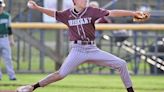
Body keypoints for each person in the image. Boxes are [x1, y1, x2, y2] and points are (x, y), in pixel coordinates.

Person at [17, 0, 149, 92]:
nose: (84, 0)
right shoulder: (67, 14)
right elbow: (53, 13)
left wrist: (132, 13)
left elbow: (112, 12)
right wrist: (37, 7)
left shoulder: (92, 11)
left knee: (121, 64)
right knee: (60, 74)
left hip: (92, 49)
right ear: (74, 1)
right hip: (77, 50)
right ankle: (32, 87)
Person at [0, 0, 16, 80]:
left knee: (8, 58)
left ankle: (12, 76)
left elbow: (9, 29)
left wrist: (11, 40)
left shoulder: (7, 15)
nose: (0, 8)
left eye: (1, 6)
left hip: (5, 38)